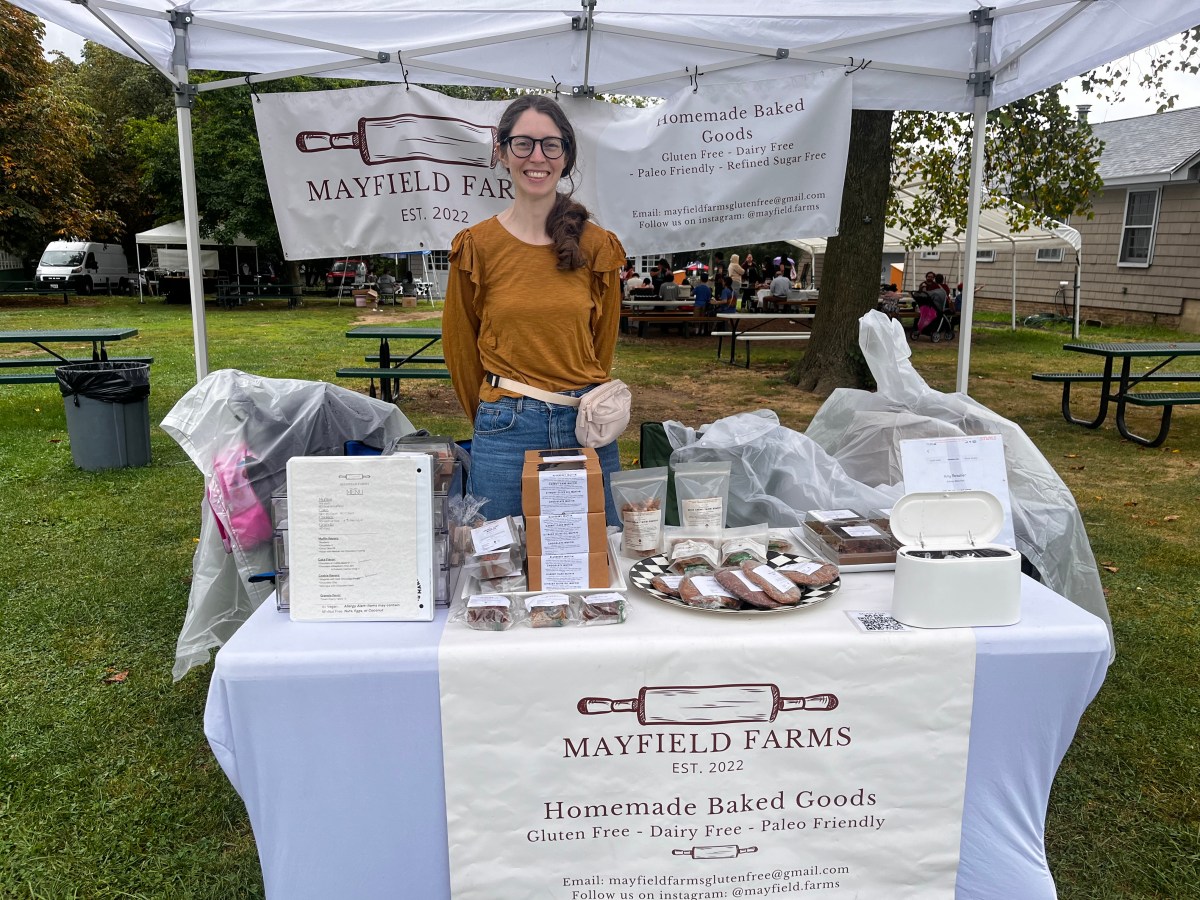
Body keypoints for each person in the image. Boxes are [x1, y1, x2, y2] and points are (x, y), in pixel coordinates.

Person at [443, 94, 626, 525]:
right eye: (523, 143)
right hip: (505, 430)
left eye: (551, 144)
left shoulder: (598, 246)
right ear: (502, 152)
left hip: (587, 426)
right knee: (499, 566)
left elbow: (602, 346)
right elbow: (460, 348)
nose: (536, 157)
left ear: (566, 156)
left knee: (598, 564)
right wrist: (495, 412)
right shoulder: (476, 247)